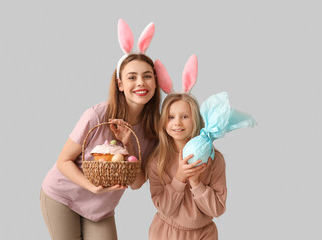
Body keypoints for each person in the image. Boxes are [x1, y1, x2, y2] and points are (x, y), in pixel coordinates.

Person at [40, 19, 160, 240]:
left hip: (100, 208)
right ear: (120, 84)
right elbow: (63, 161)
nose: (140, 83)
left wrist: (129, 144)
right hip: (63, 196)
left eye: (147, 76)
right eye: (132, 77)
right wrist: (91, 186)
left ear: (155, 82)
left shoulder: (154, 129)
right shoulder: (97, 115)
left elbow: (136, 183)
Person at [147, 93, 227, 240]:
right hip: (165, 233)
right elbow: (165, 208)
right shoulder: (157, 161)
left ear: (195, 119)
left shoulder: (214, 160)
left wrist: (196, 183)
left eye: (184, 116)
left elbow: (217, 209)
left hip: (204, 234)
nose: (177, 122)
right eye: (171, 117)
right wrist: (180, 177)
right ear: (163, 122)